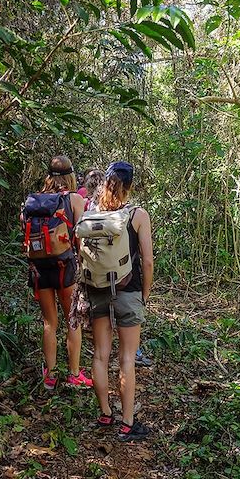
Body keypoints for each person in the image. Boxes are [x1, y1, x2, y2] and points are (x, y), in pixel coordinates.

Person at [89, 161, 154, 441]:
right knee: (127, 357)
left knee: (100, 355)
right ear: (130, 186)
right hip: (128, 291)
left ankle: (105, 413)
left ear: (105, 183)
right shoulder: (137, 215)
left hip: (97, 289)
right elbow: (148, 261)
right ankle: (127, 424)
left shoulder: (94, 212)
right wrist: (145, 293)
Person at [26, 155, 93, 391]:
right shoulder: (74, 200)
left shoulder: (33, 201)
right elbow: (80, 237)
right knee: (72, 321)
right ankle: (74, 374)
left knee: (49, 323)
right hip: (65, 268)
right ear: (71, 176)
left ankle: (50, 376)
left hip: (40, 269)